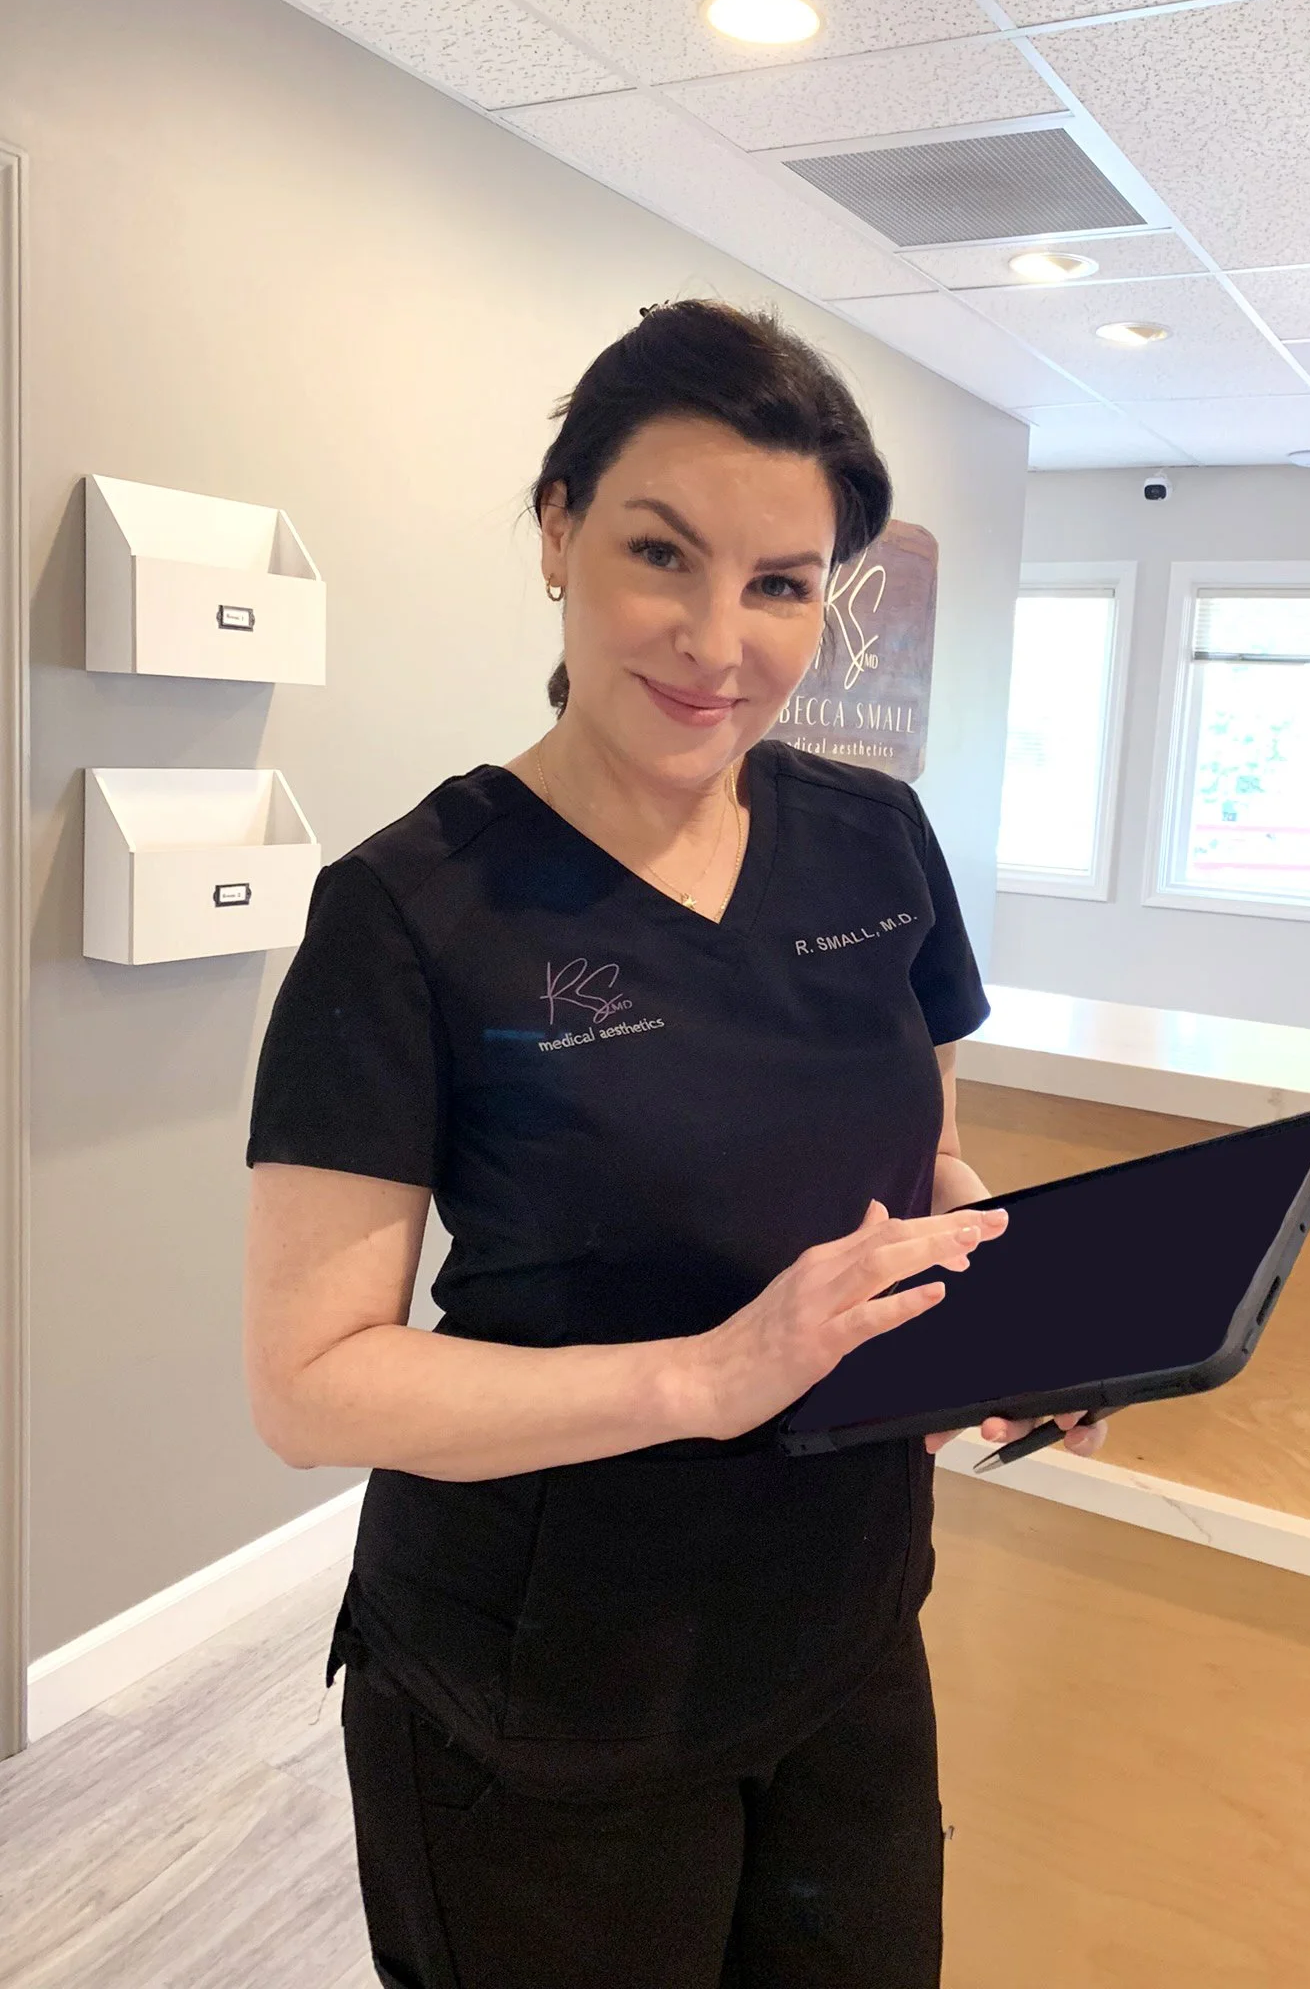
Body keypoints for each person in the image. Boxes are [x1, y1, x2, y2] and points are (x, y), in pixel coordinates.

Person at [241, 298, 1107, 1989]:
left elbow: (926, 1166)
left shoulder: (875, 844)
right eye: (663, 553)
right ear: (559, 532)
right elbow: (312, 1382)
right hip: (549, 1699)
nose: (721, 641)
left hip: (848, 1635)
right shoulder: (410, 914)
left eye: (782, 583)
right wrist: (702, 1379)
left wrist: (1017, 1306)